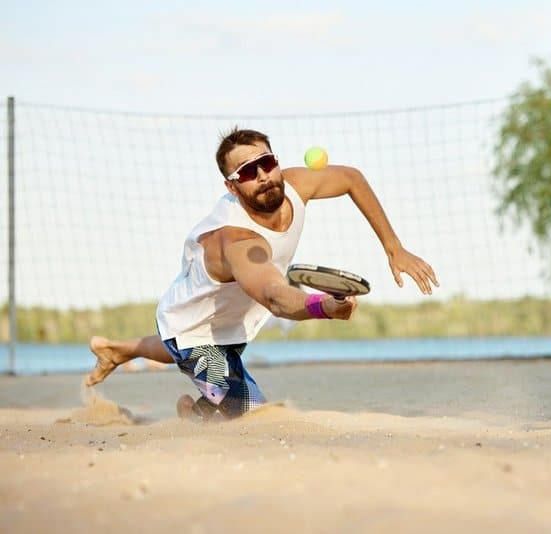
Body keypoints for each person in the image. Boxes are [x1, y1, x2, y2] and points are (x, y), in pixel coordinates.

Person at [85, 128, 438, 420]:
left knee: (205, 355)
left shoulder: (297, 185)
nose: (264, 175)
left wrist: (394, 248)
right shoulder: (237, 240)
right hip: (193, 332)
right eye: (248, 172)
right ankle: (196, 413)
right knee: (256, 418)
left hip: (231, 320)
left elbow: (351, 179)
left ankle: (119, 351)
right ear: (232, 187)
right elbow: (275, 296)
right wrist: (323, 306)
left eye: (267, 163)